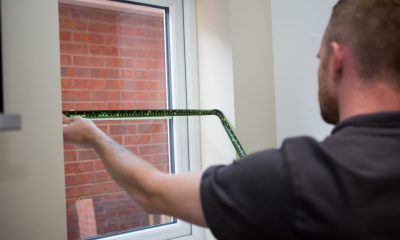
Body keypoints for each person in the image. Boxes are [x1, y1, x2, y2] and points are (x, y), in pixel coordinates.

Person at [63, 0, 400, 239]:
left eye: (320, 57)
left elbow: (151, 191)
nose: (318, 68)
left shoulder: (295, 178)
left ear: (337, 60)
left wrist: (95, 137)